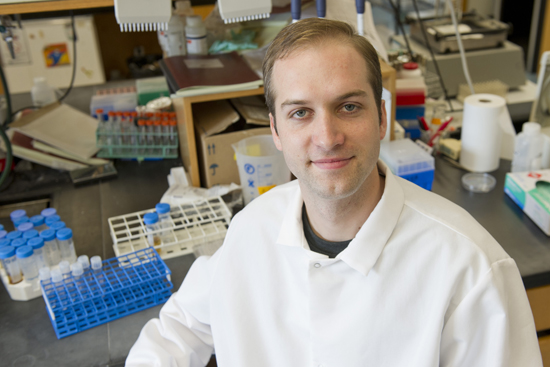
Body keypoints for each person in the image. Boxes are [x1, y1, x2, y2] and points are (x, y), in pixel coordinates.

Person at [126, 18, 542, 367]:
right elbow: (175, 331)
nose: (326, 138)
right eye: (300, 113)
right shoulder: (250, 230)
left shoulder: (470, 269)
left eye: (348, 106)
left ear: (382, 117)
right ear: (275, 130)